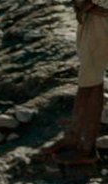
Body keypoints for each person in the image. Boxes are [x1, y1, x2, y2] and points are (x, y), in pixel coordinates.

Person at [41, 0, 107, 164]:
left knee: (90, 80)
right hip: (92, 13)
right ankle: (75, 136)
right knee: (88, 79)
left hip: (99, 12)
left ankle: (86, 147)